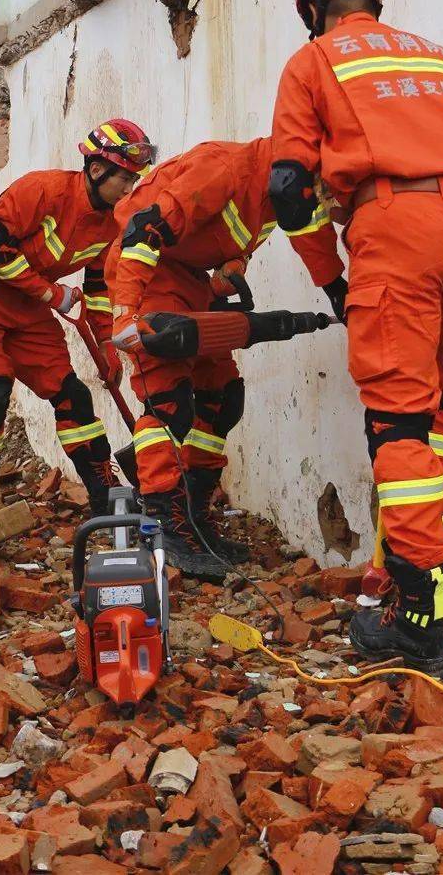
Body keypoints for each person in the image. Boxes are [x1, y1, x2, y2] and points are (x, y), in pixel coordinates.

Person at [270, 0, 443, 676]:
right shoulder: (434, 58)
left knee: (399, 420)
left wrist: (333, 279)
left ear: (314, 11)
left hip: (396, 229)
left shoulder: (314, 63)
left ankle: (418, 615)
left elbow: (286, 189)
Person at [109, 136, 342, 580]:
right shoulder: (225, 169)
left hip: (192, 280)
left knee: (222, 397)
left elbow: (257, 237)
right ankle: (162, 518)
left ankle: (194, 514)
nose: (319, 200)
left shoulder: (284, 195)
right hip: (148, 272)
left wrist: (232, 271)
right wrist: (125, 310)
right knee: (169, 404)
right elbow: (145, 228)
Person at [0, 120, 154, 514]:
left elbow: (97, 289)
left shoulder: (113, 223)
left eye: (135, 178)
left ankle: (104, 494)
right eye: (125, 178)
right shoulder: (42, 190)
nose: (131, 188)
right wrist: (50, 293)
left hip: (29, 309)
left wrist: (109, 345)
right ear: (97, 170)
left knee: (72, 395)